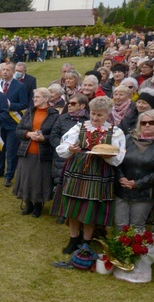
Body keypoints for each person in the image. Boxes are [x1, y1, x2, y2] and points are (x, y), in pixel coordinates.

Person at [55, 96, 126, 254]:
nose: (95, 117)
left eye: (99, 115)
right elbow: (63, 146)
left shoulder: (116, 132)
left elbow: (119, 156)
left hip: (100, 171)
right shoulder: (79, 127)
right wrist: (70, 149)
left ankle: (86, 241)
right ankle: (73, 239)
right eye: (93, 113)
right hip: (77, 168)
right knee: (73, 205)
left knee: (91, 207)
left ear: (107, 115)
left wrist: (108, 156)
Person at [13, 88, 60, 218]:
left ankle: (38, 205)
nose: (34, 99)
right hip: (26, 152)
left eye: (38, 97)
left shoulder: (54, 115)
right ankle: (28, 203)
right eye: (34, 97)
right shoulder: (29, 112)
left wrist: (43, 138)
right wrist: (28, 134)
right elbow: (18, 131)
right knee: (26, 178)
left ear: (46, 99)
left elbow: (56, 135)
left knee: (39, 179)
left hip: (43, 154)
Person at [114, 109, 154, 231]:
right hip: (122, 189)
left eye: (152, 122)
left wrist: (137, 183)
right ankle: (119, 250)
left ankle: (135, 250)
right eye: (143, 122)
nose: (147, 125)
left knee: (137, 227)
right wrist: (121, 178)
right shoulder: (127, 139)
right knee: (120, 225)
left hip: (145, 193)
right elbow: (116, 161)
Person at [50, 93, 90, 223]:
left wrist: (80, 149)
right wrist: (65, 148)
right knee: (61, 184)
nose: (69, 106)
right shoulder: (62, 118)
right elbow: (53, 136)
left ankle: (74, 212)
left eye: (73, 103)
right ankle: (61, 212)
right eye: (68, 103)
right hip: (63, 157)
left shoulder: (88, 120)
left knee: (76, 185)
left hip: (81, 158)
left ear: (82, 105)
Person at [0, 62, 28, 187]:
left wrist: (11, 106)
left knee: (11, 150)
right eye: (3, 69)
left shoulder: (19, 86)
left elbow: (24, 104)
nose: (5, 72)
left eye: (8, 70)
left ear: (13, 71)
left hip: (13, 122)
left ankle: (9, 175)